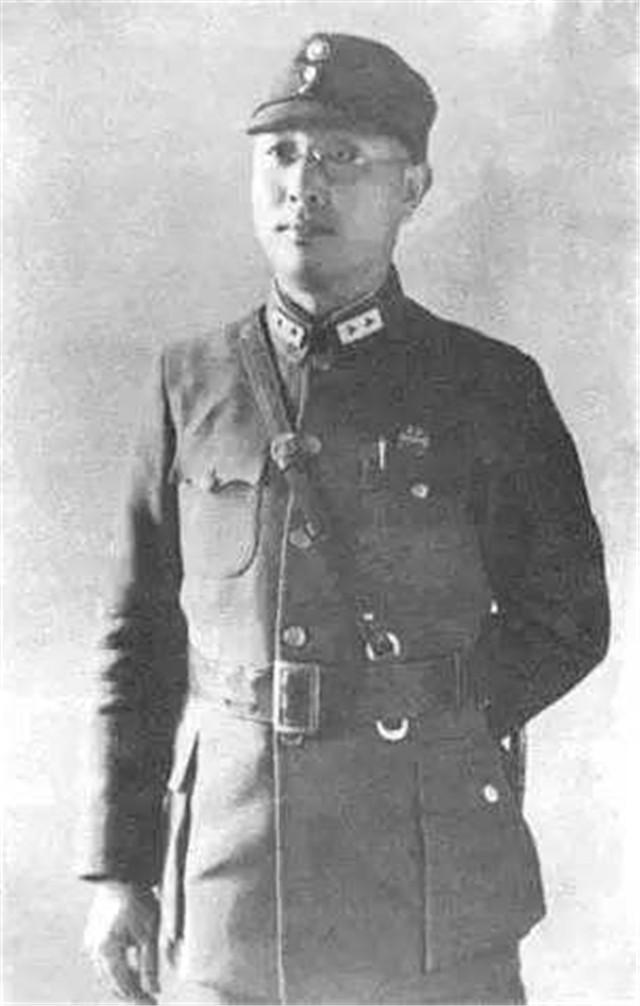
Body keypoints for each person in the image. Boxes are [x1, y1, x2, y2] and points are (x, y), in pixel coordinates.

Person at [80, 32, 610, 1006]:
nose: (303, 185)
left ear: (412, 188)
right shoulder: (189, 386)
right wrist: (120, 870)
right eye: (281, 154)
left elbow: (568, 618)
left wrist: (427, 727)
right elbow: (138, 641)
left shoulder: (489, 388)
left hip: (429, 901)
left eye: (341, 157)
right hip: (233, 892)